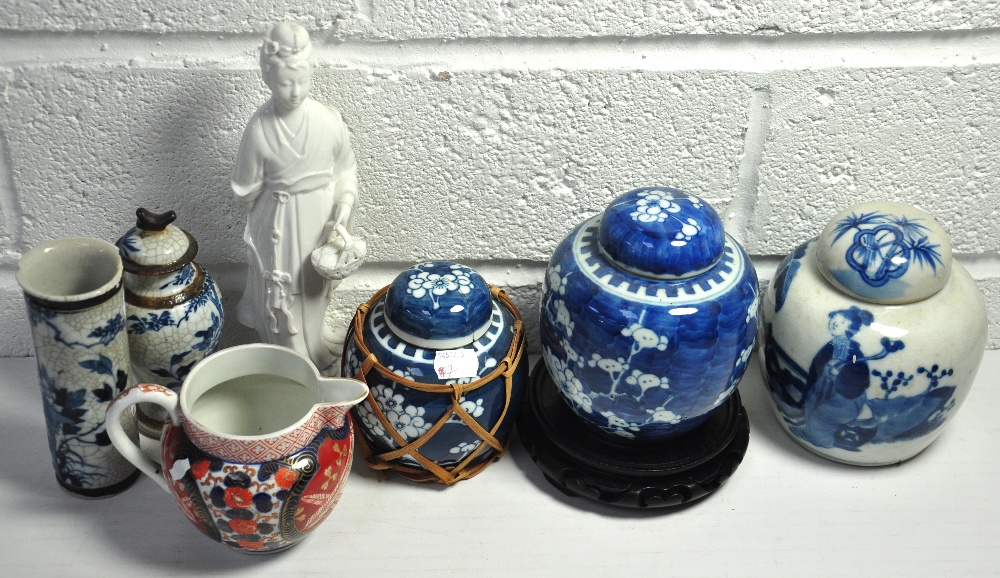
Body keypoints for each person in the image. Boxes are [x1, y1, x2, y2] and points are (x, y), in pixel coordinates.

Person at [231, 21, 358, 375]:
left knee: (313, 283)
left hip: (319, 216)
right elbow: (245, 189)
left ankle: (315, 344)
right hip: (279, 221)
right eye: (286, 83)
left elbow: (346, 169)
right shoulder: (259, 129)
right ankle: (288, 358)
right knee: (282, 291)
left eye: (302, 81)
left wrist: (343, 207)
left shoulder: (327, 121)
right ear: (268, 79)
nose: (295, 91)